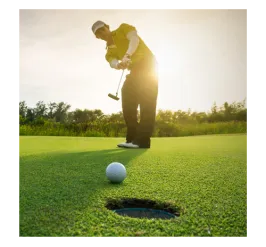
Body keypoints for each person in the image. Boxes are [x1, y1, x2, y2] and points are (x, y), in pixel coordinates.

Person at [91, 20, 158, 148]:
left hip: (148, 64)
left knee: (146, 101)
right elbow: (112, 62)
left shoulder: (123, 28)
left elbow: (134, 39)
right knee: (127, 96)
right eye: (98, 33)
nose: (102, 33)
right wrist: (119, 64)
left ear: (107, 27)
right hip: (134, 70)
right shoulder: (108, 52)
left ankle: (143, 140)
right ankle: (132, 138)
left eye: (102, 29)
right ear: (97, 37)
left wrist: (127, 55)